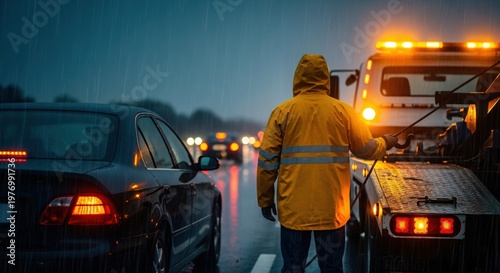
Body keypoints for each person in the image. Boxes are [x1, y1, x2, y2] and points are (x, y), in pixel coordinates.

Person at [256, 54, 398, 273]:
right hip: (331, 211)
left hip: (294, 212)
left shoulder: (282, 113)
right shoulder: (344, 112)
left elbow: (267, 163)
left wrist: (265, 200)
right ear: (325, 78)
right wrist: (385, 142)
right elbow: (366, 150)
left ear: (298, 78)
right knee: (332, 268)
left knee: (293, 267)